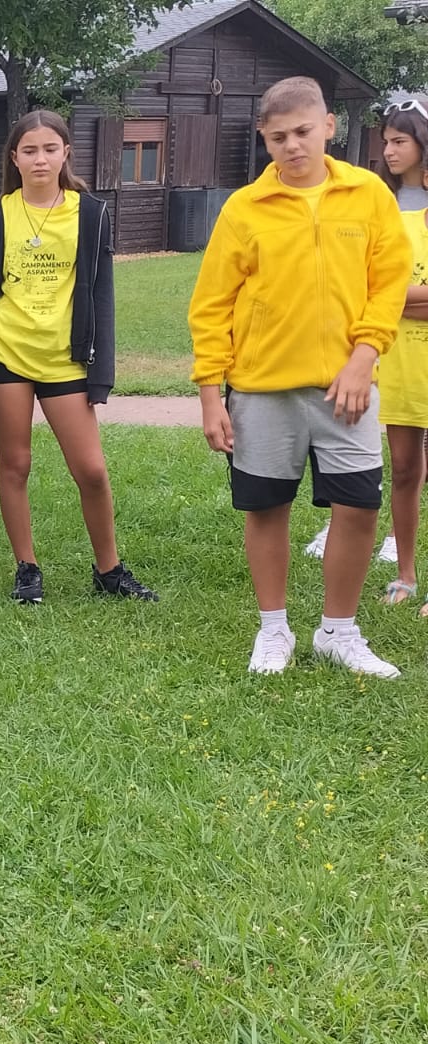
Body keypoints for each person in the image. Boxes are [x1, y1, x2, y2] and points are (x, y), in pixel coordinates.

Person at [189, 76, 412, 676]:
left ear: (331, 127)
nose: (292, 146)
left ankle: (338, 630)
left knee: (361, 505)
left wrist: (364, 356)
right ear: (264, 138)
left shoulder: (368, 195)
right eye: (278, 137)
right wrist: (212, 397)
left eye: (304, 132)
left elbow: (388, 283)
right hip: (262, 388)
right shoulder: (245, 208)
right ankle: (275, 628)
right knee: (268, 508)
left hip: (348, 387)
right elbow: (211, 304)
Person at [0, 109, 157, 606]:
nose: (40, 158)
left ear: (66, 153)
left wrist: (100, 373)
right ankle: (27, 568)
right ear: (15, 158)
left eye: (50, 149)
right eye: (30, 150)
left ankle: (109, 568)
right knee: (16, 465)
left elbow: (102, 295)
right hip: (7, 354)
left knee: (90, 469)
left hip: (66, 360)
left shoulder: (90, 213)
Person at [304, 95, 428, 574]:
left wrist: (393, 298)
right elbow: (366, 286)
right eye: (387, 142)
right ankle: (350, 527)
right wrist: (397, 299)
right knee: (384, 457)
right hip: (380, 350)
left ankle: (401, 539)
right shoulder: (377, 200)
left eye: (401, 141)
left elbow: (387, 291)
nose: (390, 151)